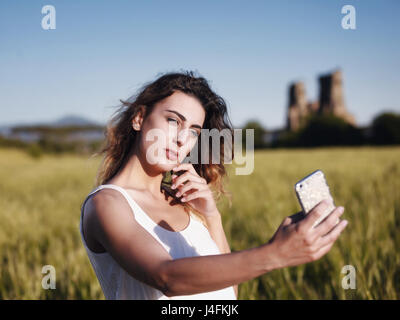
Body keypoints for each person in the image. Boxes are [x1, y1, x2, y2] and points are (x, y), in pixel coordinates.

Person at [79, 71, 348, 300]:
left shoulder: (185, 201)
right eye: (173, 121)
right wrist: (276, 253)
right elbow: (166, 277)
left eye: (194, 131)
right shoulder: (107, 204)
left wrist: (211, 217)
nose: (182, 139)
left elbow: (227, 293)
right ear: (139, 118)